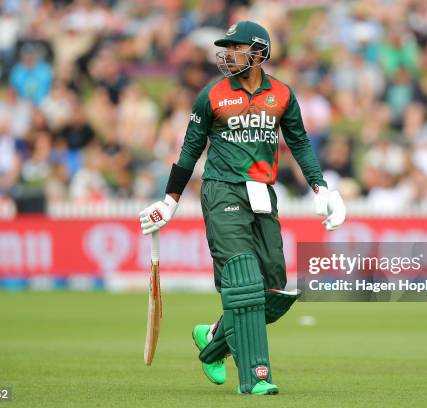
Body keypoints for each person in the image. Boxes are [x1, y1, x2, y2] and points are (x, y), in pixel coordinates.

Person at [139, 21, 346, 395]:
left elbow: (299, 144)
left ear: (258, 52)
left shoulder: (281, 94)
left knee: (274, 289)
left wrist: (321, 187)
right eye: (226, 47)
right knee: (245, 282)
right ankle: (256, 378)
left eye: (235, 47)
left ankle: (214, 337)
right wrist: (170, 200)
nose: (227, 54)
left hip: (263, 193)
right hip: (221, 192)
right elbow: (190, 149)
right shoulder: (212, 95)